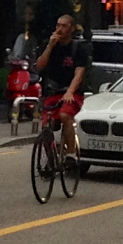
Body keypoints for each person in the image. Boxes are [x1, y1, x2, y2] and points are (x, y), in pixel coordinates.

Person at [33, 14, 90, 162]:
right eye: (58, 25)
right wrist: (50, 46)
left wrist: (70, 91)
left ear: (71, 28)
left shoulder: (78, 48)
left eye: (64, 26)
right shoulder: (50, 45)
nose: (59, 29)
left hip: (71, 93)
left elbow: (79, 72)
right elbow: (39, 66)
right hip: (53, 91)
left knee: (65, 116)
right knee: (46, 126)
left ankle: (70, 153)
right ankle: (51, 159)